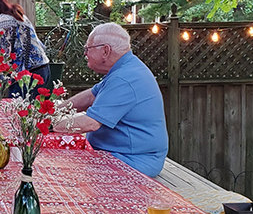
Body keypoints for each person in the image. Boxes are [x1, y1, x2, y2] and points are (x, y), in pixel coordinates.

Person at [55, 23, 168, 177]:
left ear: (106, 51)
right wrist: (55, 110)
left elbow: (91, 123)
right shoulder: (126, 68)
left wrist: (46, 125)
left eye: (87, 48)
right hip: (122, 153)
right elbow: (90, 96)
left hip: (133, 160)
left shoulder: (125, 78)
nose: (85, 53)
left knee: (60, 170)